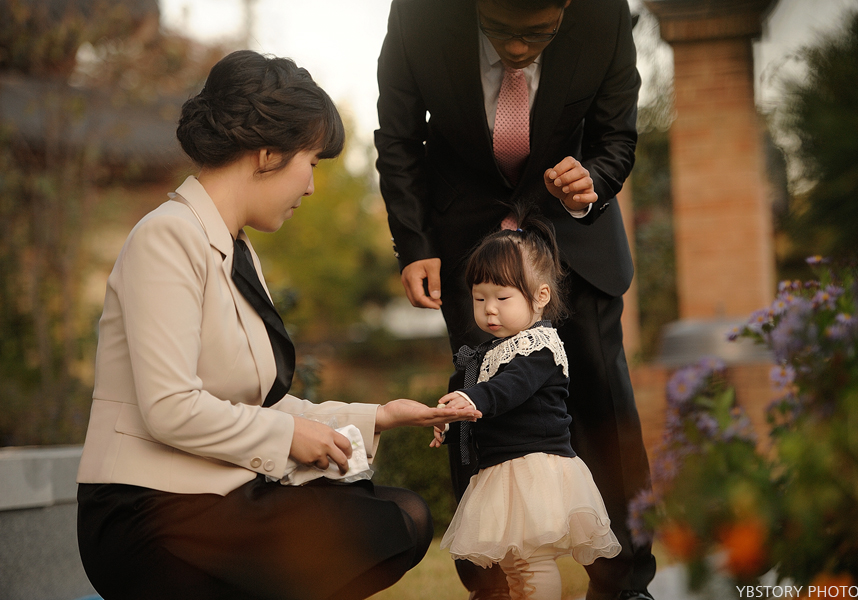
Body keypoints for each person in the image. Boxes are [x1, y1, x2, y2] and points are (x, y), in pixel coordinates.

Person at [75, 49, 480, 600]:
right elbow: (170, 406)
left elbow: (254, 402)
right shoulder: (166, 236)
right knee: (391, 522)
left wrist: (378, 416)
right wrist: (289, 436)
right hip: (144, 508)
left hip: (209, 491)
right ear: (268, 154)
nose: (311, 187)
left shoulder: (234, 248)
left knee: (398, 514)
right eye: (310, 162)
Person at [375, 0, 656, 598]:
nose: (521, 49)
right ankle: (493, 585)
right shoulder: (419, 14)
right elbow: (398, 137)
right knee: (475, 408)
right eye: (501, 30)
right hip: (468, 254)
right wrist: (415, 243)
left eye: (540, 33)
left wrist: (592, 180)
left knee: (605, 407)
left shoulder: (603, 14)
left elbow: (616, 136)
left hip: (576, 243)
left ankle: (626, 584)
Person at [429, 212, 622, 600]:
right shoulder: (493, 351)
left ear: (541, 296)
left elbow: (508, 389)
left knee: (532, 564)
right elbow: (485, 405)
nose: (489, 309)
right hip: (504, 470)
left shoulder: (538, 348)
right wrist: (452, 421)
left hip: (532, 471)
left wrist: (472, 398)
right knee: (516, 566)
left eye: (502, 298)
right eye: (479, 298)